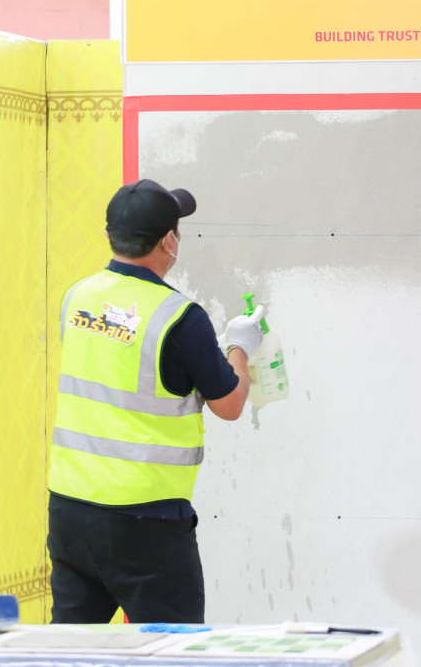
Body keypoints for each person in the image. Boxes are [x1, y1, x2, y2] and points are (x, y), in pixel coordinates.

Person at [47, 178, 265, 624]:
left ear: (110, 235)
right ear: (169, 241)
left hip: (70, 509)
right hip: (146, 520)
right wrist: (239, 346)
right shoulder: (179, 318)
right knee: (173, 649)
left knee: (72, 647)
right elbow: (229, 405)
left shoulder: (77, 297)